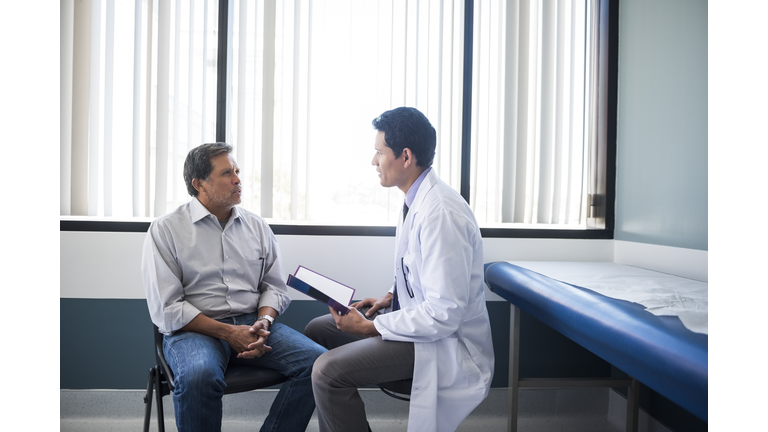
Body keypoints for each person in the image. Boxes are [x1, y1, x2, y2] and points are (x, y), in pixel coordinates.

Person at [305, 107, 495, 432]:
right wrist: (391, 297)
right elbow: (423, 270)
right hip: (421, 324)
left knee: (327, 372)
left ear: (405, 156)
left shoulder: (441, 214)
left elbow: (444, 313)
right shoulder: (414, 199)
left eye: (379, 152)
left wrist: (371, 329)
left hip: (444, 343)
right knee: (317, 330)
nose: (373, 161)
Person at [142, 142, 326, 432]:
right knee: (199, 376)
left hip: (254, 325)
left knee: (319, 364)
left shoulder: (257, 226)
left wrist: (264, 322)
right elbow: (168, 307)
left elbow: (275, 287)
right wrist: (229, 333)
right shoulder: (166, 230)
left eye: (237, 171)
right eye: (227, 173)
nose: (238, 179)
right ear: (199, 183)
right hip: (195, 331)